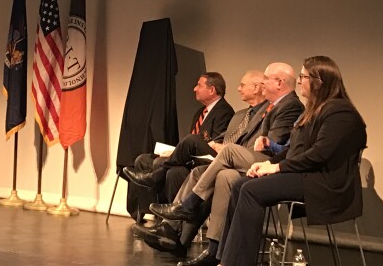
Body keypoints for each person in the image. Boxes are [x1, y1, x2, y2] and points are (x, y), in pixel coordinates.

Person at [141, 64, 303, 261]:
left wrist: (262, 143)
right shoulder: (269, 107)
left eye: (266, 79)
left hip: (268, 162)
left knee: (227, 150)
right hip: (246, 161)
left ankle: (189, 204)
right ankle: (198, 246)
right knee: (213, 173)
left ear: (279, 83)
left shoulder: (290, 105)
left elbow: (272, 145)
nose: (263, 83)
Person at [217, 56, 367, 266]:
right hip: (306, 175)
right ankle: (226, 258)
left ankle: (236, 263)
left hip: (324, 183)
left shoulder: (340, 112)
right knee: (241, 184)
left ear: (319, 81)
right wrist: (267, 164)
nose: (298, 81)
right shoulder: (314, 110)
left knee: (252, 191)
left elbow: (319, 155)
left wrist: (277, 167)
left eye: (303, 76)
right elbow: (293, 151)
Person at [123, 72, 234, 205]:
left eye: (199, 85)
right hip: (188, 157)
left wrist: (180, 154)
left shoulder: (225, 112)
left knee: (169, 169)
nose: (194, 89)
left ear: (211, 90)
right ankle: (147, 210)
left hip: (202, 162)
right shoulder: (200, 112)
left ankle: (168, 214)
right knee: (142, 160)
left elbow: (214, 145)